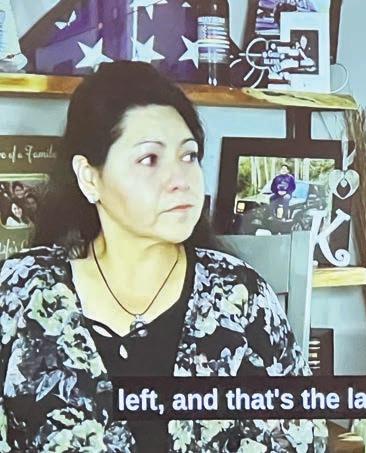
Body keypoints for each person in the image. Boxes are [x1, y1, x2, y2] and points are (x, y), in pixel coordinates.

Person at [0, 61, 326, 452]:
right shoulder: (19, 291)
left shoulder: (241, 297)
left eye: (189, 156)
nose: (181, 180)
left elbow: (299, 438)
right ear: (90, 177)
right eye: (149, 159)